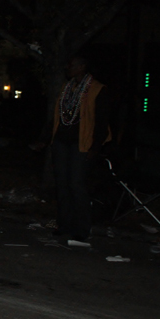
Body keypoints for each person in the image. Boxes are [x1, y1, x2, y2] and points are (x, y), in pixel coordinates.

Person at [50, 56, 110, 244]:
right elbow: (57, 115)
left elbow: (101, 122)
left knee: (76, 184)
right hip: (62, 140)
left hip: (81, 143)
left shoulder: (96, 89)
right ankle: (64, 224)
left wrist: (96, 146)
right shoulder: (67, 88)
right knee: (62, 183)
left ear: (83, 67)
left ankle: (82, 228)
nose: (69, 67)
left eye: (73, 65)